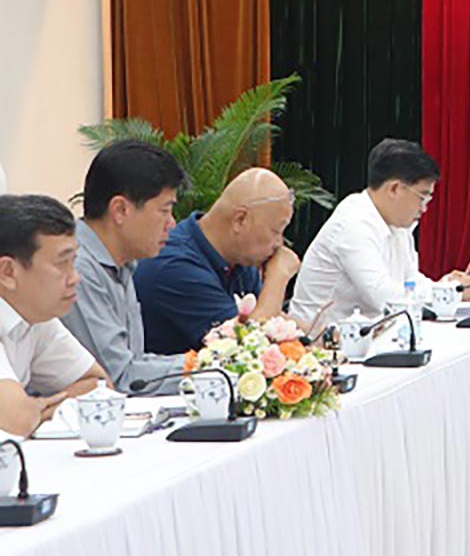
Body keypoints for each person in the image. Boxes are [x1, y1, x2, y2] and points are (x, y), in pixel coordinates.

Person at [292, 139, 470, 327]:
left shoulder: (397, 223)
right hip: (321, 344)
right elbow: (385, 299)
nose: (424, 208)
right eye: (423, 197)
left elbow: (411, 281)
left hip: (373, 333)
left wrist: (449, 285)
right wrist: (452, 291)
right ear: (394, 189)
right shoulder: (352, 225)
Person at [59, 141, 191, 395]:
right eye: (165, 210)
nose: (172, 224)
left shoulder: (121, 262)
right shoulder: (78, 268)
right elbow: (120, 377)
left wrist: (206, 365)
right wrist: (210, 369)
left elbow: (135, 363)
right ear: (120, 210)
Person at [134, 167, 300, 355]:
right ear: (240, 219)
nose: (279, 243)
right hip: (164, 381)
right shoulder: (173, 265)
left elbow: (270, 320)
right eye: (276, 231)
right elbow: (251, 350)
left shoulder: (239, 259)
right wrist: (279, 276)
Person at [0, 195, 107, 437]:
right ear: (7, 272)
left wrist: (38, 409)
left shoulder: (36, 314)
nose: (75, 278)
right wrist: (29, 411)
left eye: (74, 262)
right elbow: (16, 420)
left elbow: (98, 385)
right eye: (62, 264)